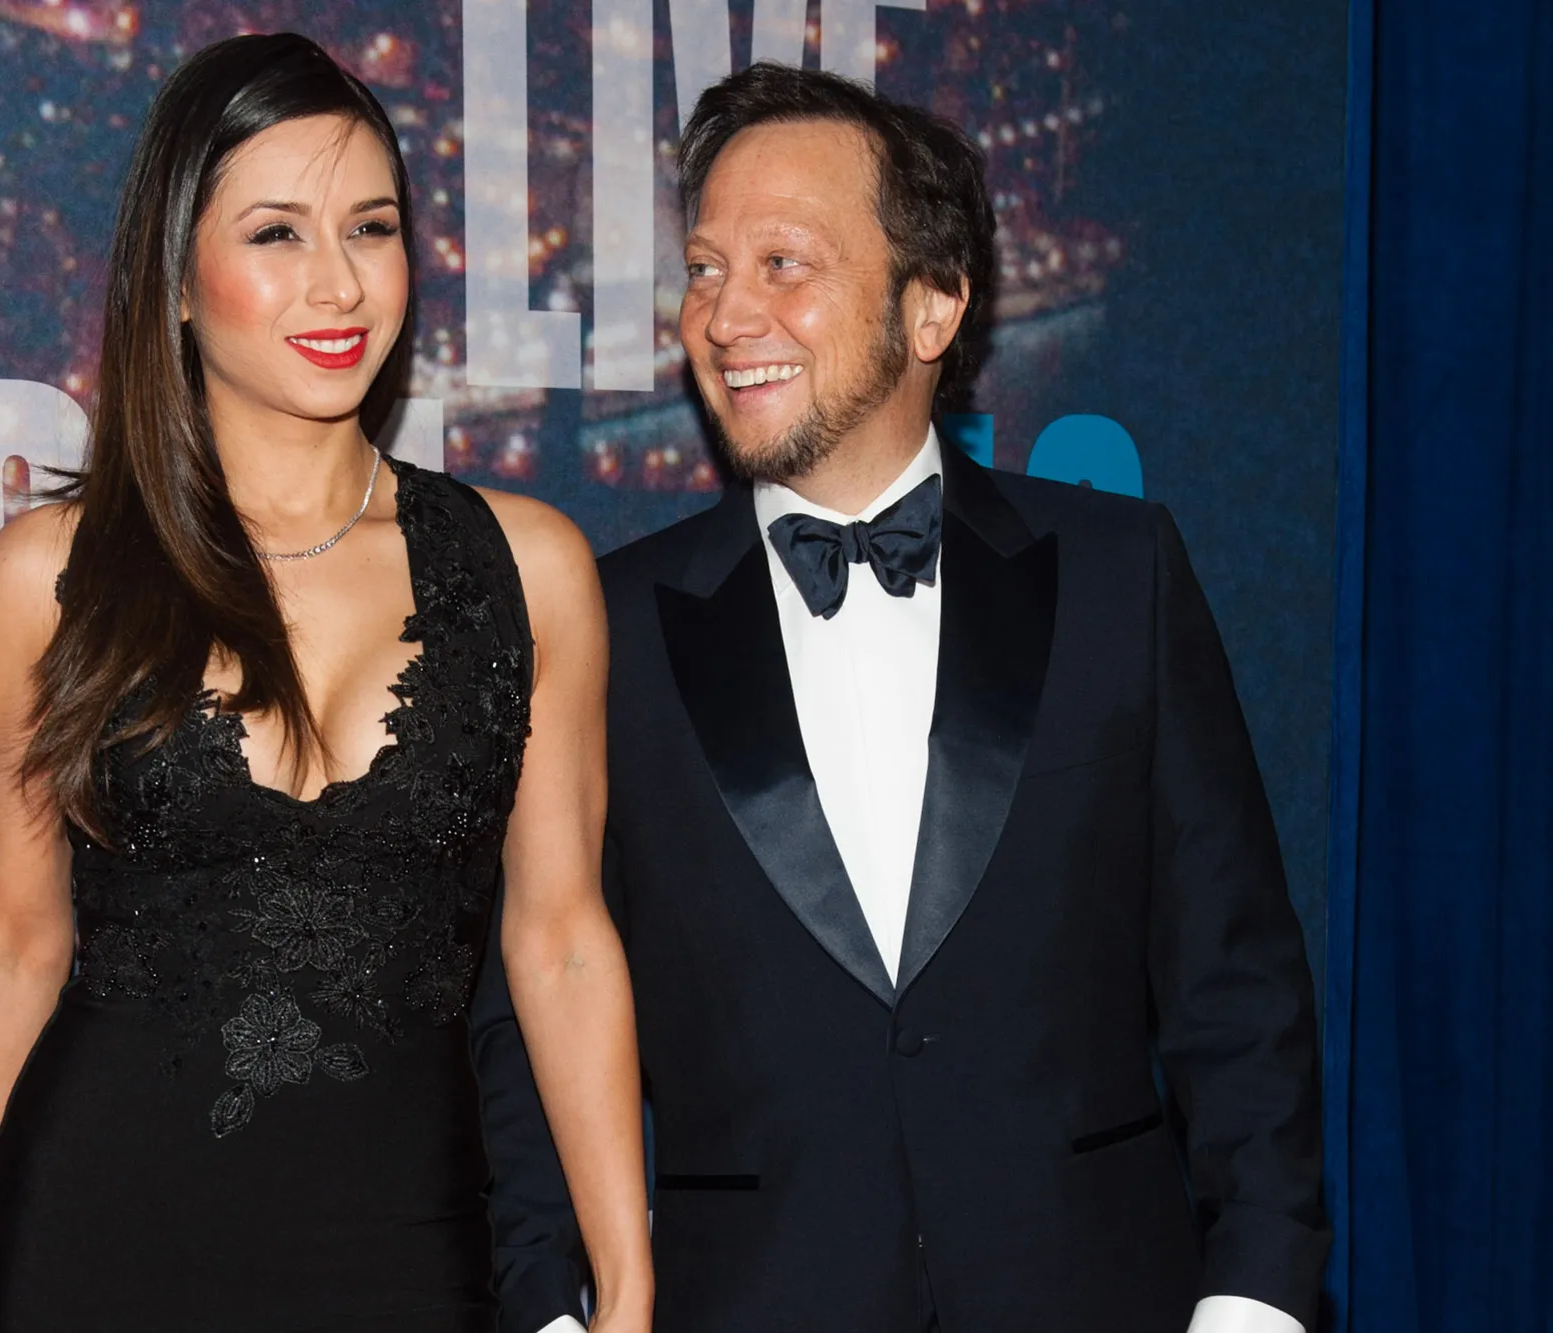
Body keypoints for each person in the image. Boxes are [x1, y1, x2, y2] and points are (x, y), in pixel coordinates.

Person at [473, 62, 1328, 1333]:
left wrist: (1251, 1305)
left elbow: (1236, 989)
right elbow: (529, 995)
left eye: (784, 263)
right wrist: (552, 1305)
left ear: (930, 308)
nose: (721, 314)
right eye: (705, 268)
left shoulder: (1118, 575)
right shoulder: (607, 627)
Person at [0, 34, 651, 1333]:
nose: (339, 284)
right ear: (181, 281)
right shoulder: (46, 577)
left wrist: (629, 1280)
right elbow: (12, 945)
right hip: (94, 1244)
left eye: (370, 227)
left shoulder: (531, 569)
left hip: (409, 1250)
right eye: (276, 234)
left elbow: (562, 940)